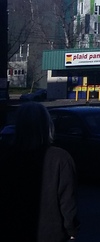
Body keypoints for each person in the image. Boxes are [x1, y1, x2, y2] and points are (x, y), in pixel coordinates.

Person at [0, 102, 79, 241]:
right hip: (51, 234)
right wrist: (71, 230)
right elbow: (67, 202)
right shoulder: (60, 159)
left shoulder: (7, 158)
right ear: (47, 126)